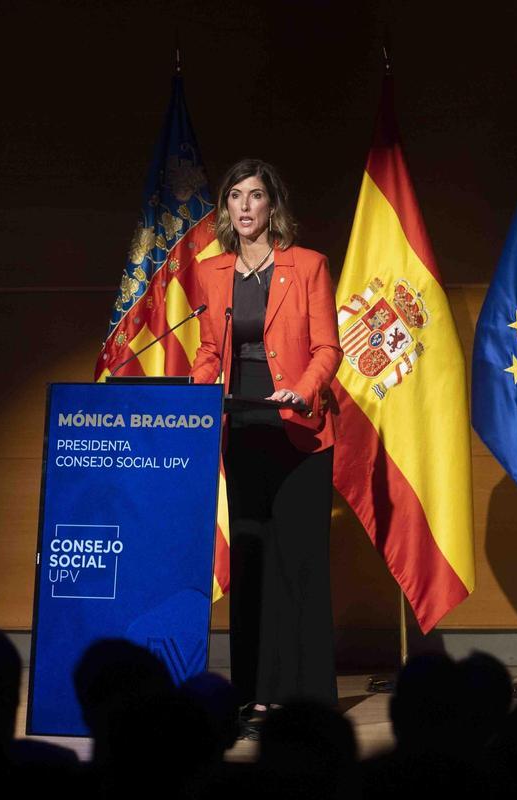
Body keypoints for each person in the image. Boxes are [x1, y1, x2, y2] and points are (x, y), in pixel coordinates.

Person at [191, 158, 342, 719]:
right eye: (236, 197)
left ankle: (307, 702)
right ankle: (251, 693)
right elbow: (211, 350)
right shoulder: (212, 272)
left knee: (299, 564)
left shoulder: (308, 266)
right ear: (227, 208)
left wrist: (303, 390)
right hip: (243, 428)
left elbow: (328, 347)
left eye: (256, 196)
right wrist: (196, 389)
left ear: (272, 205)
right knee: (251, 564)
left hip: (299, 432)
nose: (246, 207)